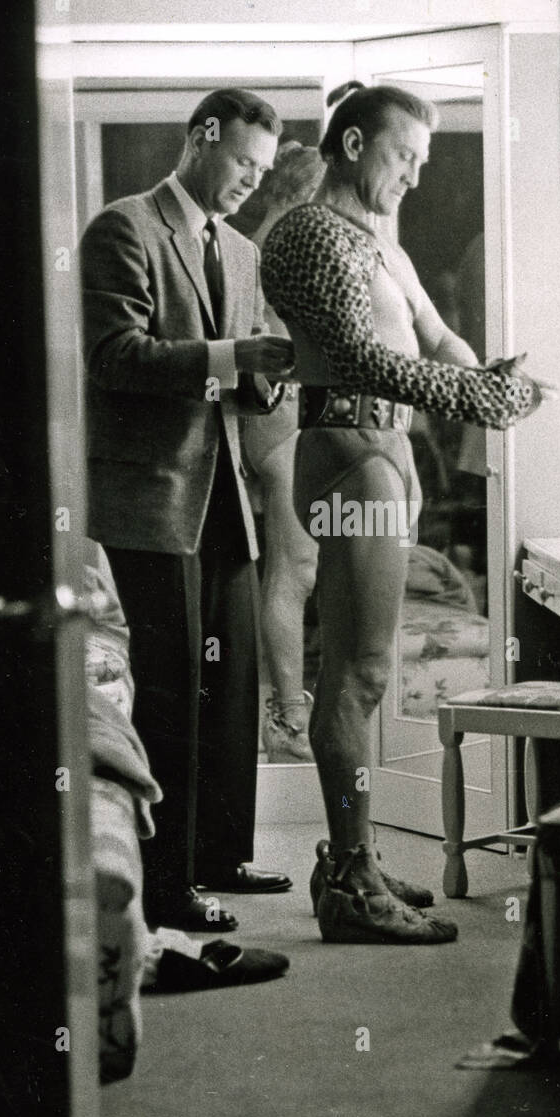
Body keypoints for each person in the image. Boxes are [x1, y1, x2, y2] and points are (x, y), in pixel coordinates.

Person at [261, 81, 548, 944]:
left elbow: (432, 339)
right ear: (352, 146)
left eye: (424, 161)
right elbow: (355, 356)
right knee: (356, 674)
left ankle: (355, 855)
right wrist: (478, 397)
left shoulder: (381, 247)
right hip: (348, 458)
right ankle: (349, 878)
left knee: (370, 671)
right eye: (402, 156)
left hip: (386, 459)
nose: (415, 176)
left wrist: (489, 375)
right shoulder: (310, 233)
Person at [80, 88, 295, 933]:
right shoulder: (122, 229)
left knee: (228, 684)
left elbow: (229, 388)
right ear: (203, 138)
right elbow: (112, 358)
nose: (251, 179)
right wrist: (230, 354)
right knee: (169, 692)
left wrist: (261, 374)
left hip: (223, 497)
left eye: (262, 168)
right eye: (244, 160)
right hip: (150, 500)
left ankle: (219, 855)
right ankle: (166, 885)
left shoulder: (240, 253)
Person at [241, 143, 325, 762]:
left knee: (284, 571)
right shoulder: (288, 244)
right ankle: (287, 716)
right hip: (281, 416)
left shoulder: (256, 242)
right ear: (305, 194)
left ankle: (279, 709)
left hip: (272, 415)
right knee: (293, 571)